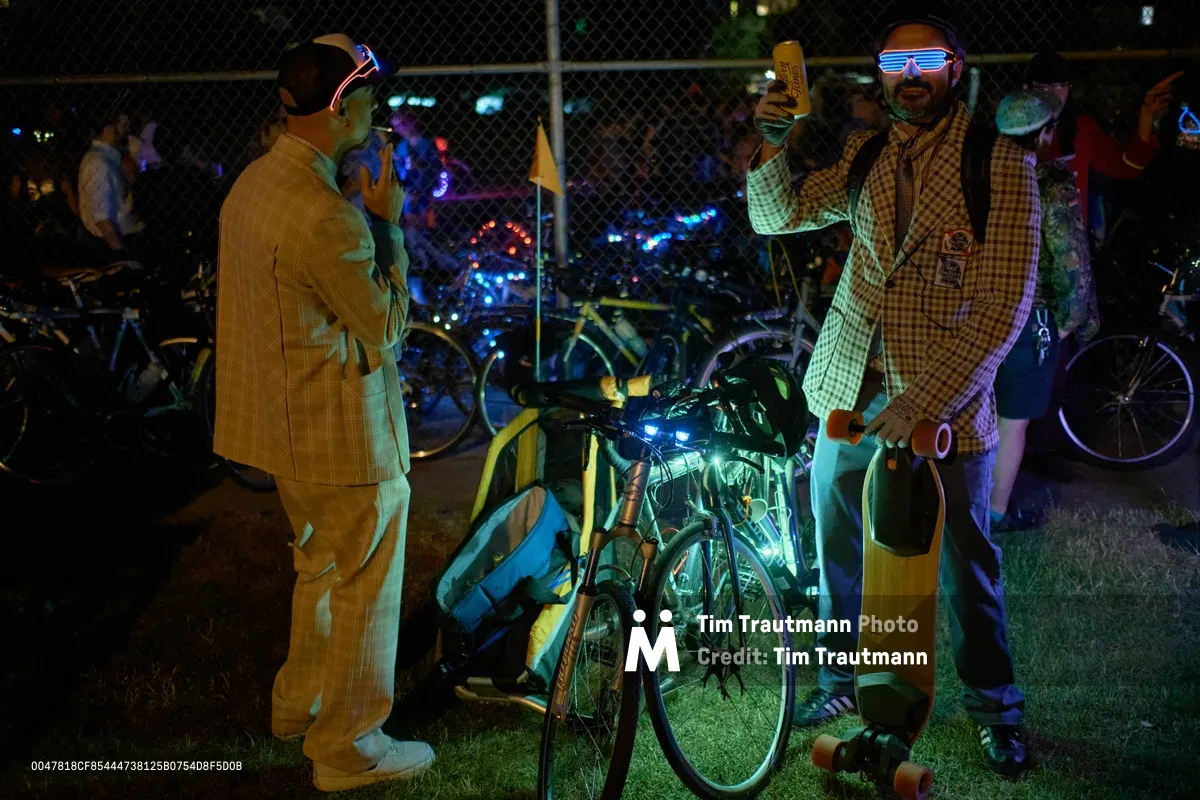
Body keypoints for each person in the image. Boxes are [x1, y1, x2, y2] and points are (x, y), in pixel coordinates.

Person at [751, 0, 1037, 776]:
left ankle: (995, 708)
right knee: (838, 549)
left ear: (956, 71)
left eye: (927, 62)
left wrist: (920, 403)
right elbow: (779, 216)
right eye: (895, 64)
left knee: (966, 563)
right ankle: (838, 684)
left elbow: (1004, 306)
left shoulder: (1000, 164)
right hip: (849, 392)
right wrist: (772, 145)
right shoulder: (867, 153)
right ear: (879, 75)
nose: (910, 76)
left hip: (943, 404)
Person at [212, 34, 432, 792]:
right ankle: (348, 744)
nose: (376, 111)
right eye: (368, 98)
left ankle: (298, 704)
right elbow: (385, 327)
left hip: (284, 432)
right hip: (342, 437)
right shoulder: (326, 217)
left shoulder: (253, 186)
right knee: (365, 581)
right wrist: (388, 225)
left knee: (320, 566)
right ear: (341, 109)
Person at [989, 90, 1101, 532]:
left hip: (971, 311)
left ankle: (958, 507)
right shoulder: (1051, 181)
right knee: (1011, 422)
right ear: (1045, 133)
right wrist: (1072, 319)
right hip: (1028, 317)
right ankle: (995, 513)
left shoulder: (974, 175)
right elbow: (1069, 256)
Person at [1024, 50, 1181, 240]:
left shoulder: (1082, 129)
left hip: (1071, 246)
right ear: (1027, 89)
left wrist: (1147, 114)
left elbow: (1128, 165)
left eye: (1061, 86)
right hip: (1024, 240)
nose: (1055, 94)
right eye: (1045, 87)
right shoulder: (1013, 134)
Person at [77, 109, 144, 257]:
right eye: (123, 126)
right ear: (108, 128)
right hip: (115, 241)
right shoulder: (99, 162)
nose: (126, 132)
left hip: (121, 238)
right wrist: (119, 252)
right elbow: (101, 215)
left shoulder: (112, 157)